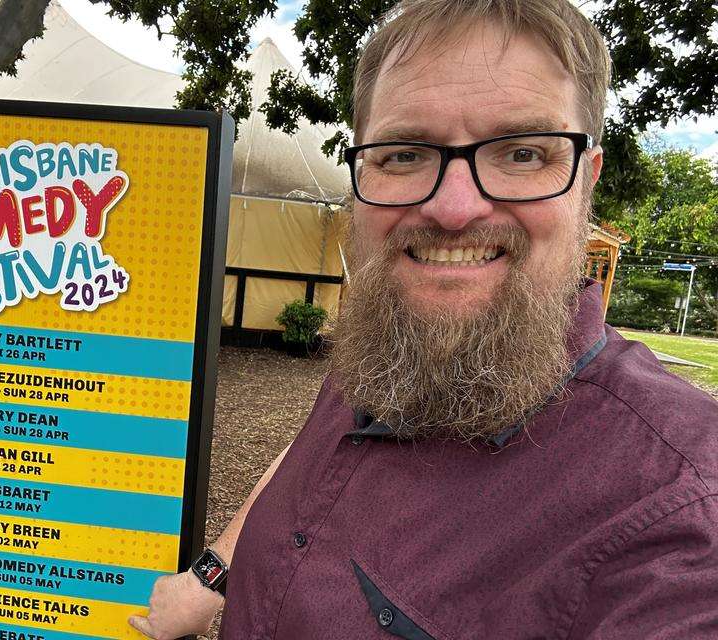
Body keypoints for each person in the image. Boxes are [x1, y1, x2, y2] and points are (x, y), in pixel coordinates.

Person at [128, 0, 718, 637]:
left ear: (587, 179)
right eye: (405, 155)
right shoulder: (387, 334)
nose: (454, 207)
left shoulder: (677, 512)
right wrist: (210, 577)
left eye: (521, 154)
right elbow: (305, 462)